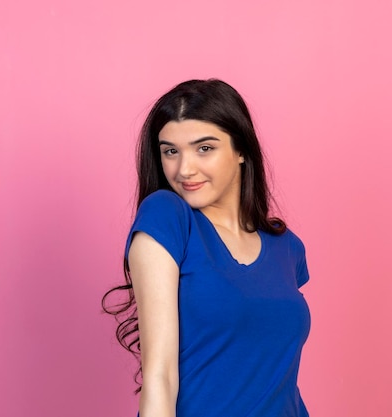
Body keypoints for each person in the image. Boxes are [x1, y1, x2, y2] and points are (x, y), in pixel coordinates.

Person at [102, 79, 311, 417]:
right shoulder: (167, 218)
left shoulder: (286, 247)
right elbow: (160, 377)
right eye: (171, 151)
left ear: (241, 150)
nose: (184, 169)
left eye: (204, 148)